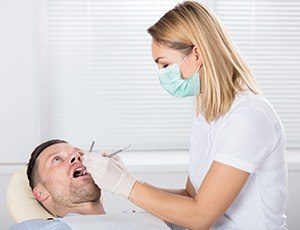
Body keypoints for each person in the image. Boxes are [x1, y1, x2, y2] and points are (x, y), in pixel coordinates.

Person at [82, 1, 288, 229]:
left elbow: (200, 216)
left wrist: (124, 185)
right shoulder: (207, 116)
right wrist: (127, 179)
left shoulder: (248, 117)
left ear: (197, 54)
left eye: (165, 65)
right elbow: (192, 196)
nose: (161, 75)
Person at [11, 140, 181, 230]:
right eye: (57, 159)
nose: (76, 157)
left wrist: (130, 181)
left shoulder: (151, 218)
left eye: (79, 153)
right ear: (41, 193)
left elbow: (198, 206)